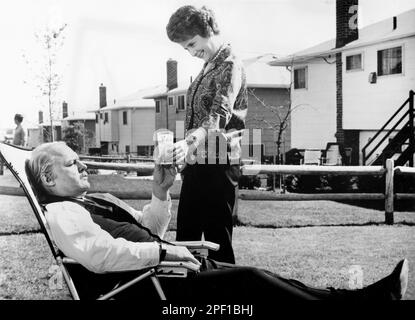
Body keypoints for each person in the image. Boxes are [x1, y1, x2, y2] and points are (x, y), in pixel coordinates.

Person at [27, 142, 409, 300]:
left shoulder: (91, 201)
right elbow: (102, 257)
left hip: (166, 271)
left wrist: (160, 193)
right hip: (151, 288)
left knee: (267, 280)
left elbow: (147, 228)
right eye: (71, 162)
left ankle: (365, 298)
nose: (83, 163)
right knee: (253, 282)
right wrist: (167, 254)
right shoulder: (62, 213)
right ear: (48, 178)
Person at [166, 5, 248, 264]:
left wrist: (189, 141)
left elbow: (218, 114)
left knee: (217, 243)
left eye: (192, 43)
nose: (191, 52)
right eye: (185, 48)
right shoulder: (207, 66)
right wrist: (186, 151)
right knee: (187, 238)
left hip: (219, 164)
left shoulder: (230, 64)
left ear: (208, 30)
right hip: (197, 163)